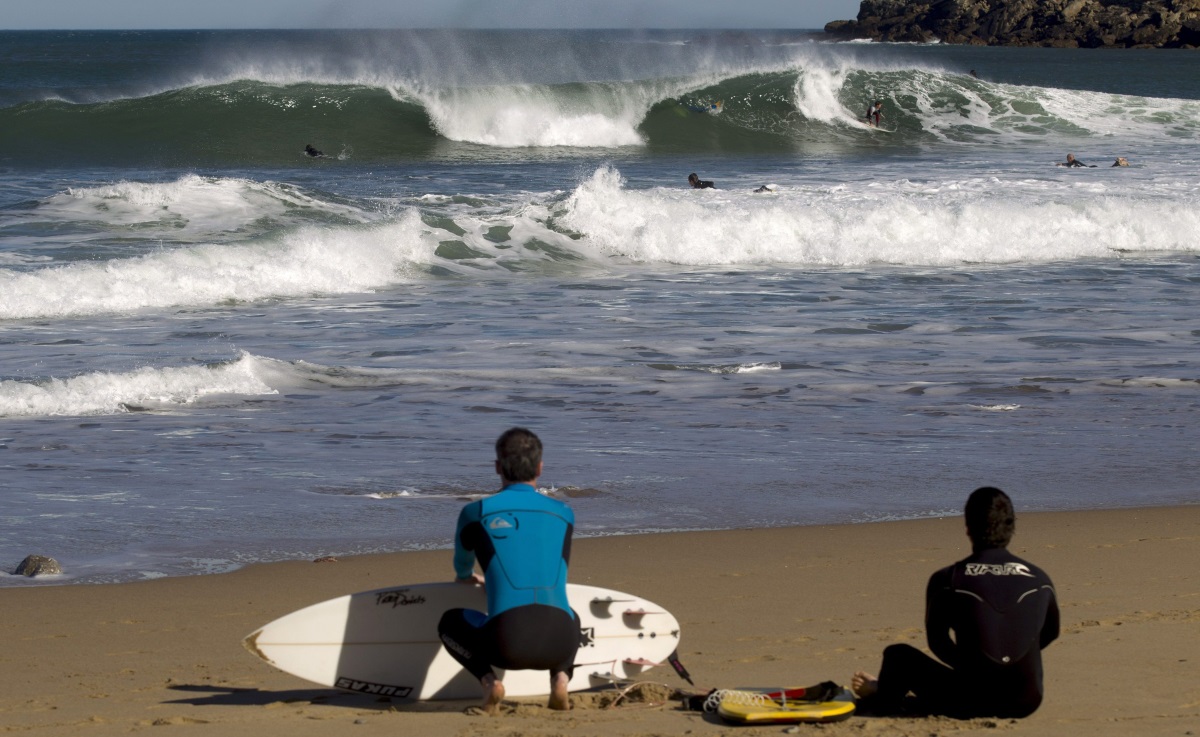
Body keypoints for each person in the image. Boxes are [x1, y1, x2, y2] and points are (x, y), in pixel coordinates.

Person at [851, 487, 1059, 719]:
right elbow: (1050, 634)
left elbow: (938, 642)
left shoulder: (948, 580)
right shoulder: (1041, 579)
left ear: (968, 528)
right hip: (1026, 700)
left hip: (971, 700)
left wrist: (977, 669)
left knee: (897, 655)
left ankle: (884, 698)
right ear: (1012, 528)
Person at [437, 428, 580, 714]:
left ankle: (489, 682)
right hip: (562, 641)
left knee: (449, 622)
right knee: (571, 612)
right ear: (540, 467)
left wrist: (468, 578)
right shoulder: (565, 513)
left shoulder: (475, 513)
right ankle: (561, 679)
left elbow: (462, 566)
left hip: (506, 644)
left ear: (498, 467)